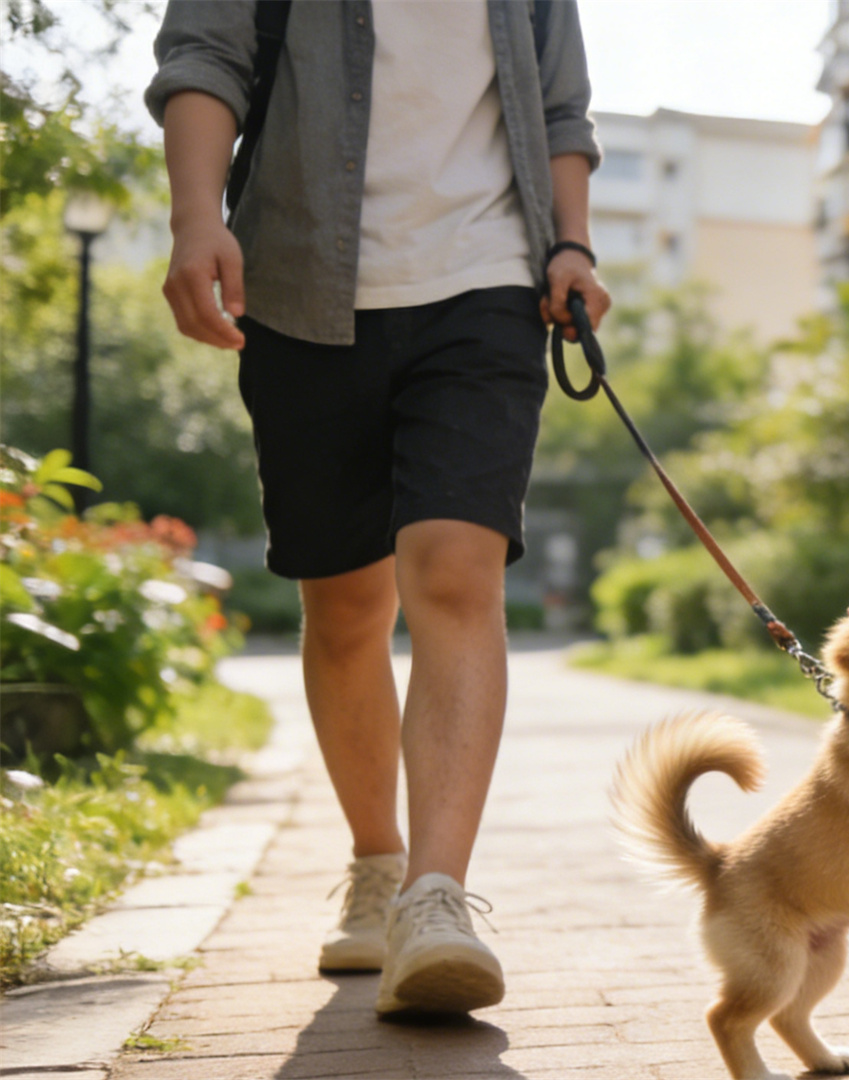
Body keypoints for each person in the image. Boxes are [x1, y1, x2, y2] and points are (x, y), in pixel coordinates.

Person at [146, 0, 610, 1019]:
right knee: (346, 605)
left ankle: (436, 898)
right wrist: (195, 218)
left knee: (455, 568)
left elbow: (562, 108)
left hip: (490, 283)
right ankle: (376, 862)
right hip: (302, 283)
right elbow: (205, 54)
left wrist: (572, 244)